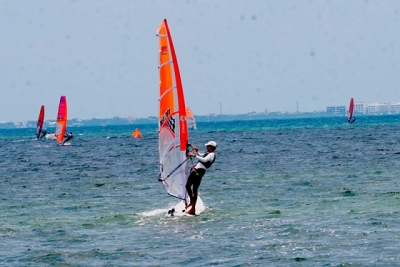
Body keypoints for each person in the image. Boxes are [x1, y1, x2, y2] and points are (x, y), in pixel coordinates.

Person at [185, 140, 217, 215]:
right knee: (187, 186)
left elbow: (204, 160)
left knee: (195, 189)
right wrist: (197, 152)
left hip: (199, 171)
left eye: (207, 146)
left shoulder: (212, 155)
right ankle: (192, 202)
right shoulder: (208, 153)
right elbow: (201, 156)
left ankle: (193, 208)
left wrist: (194, 155)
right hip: (196, 170)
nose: (206, 147)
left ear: (211, 147)